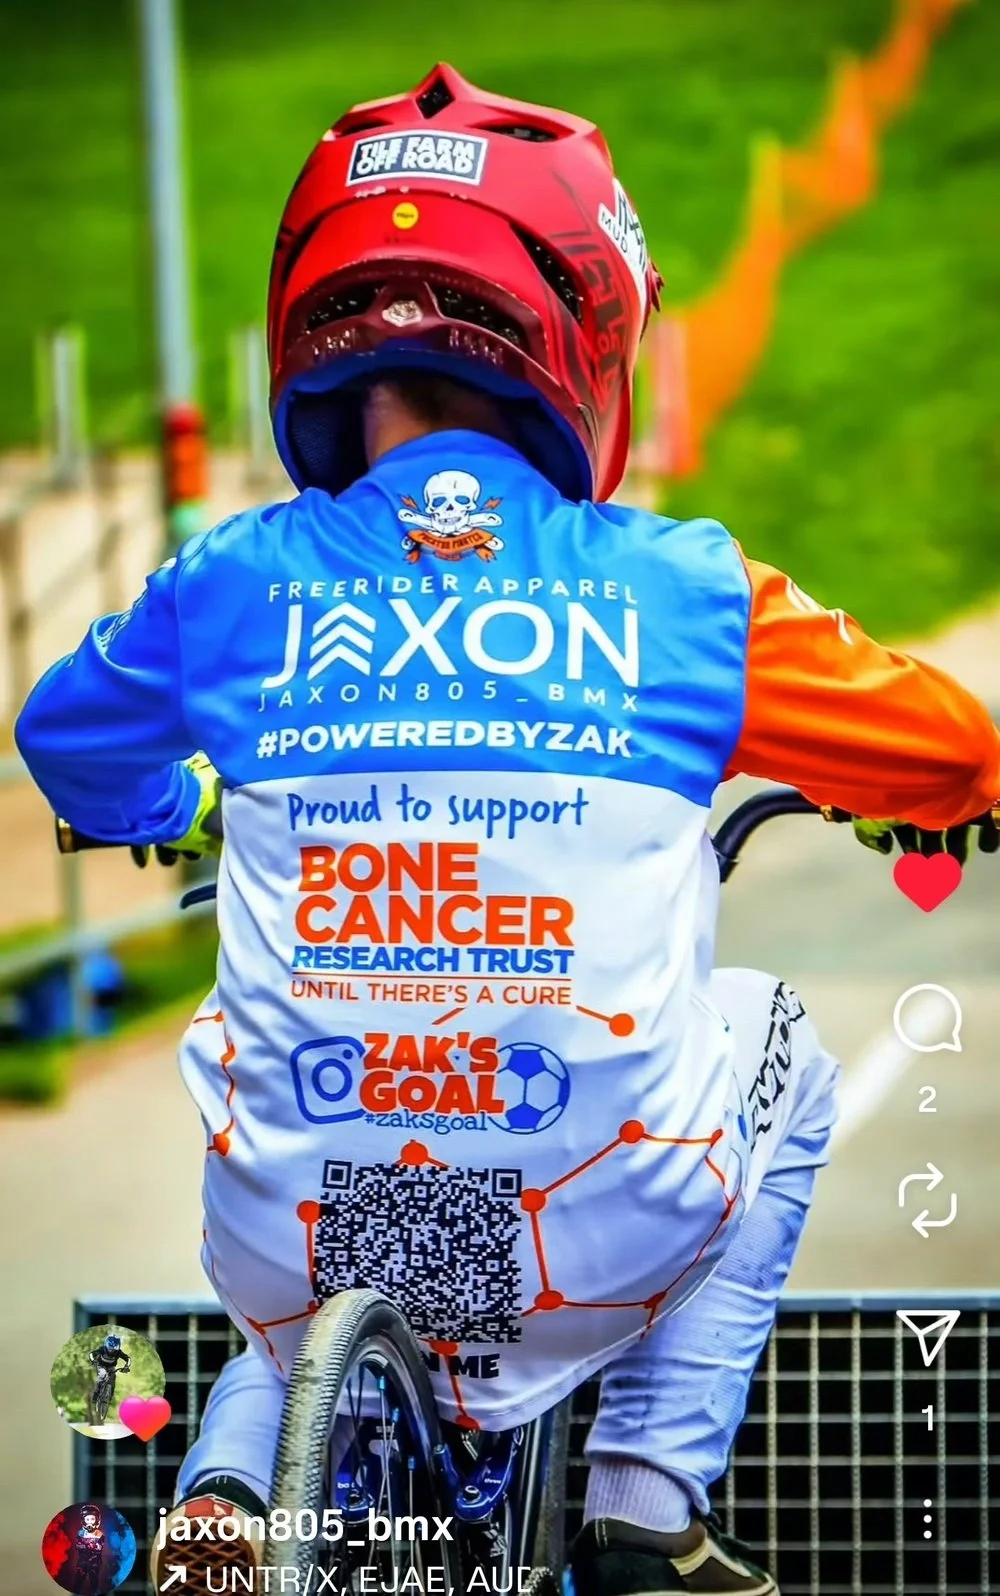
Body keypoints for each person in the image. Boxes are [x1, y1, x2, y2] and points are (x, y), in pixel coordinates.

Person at [16, 62, 1000, 1596]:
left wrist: (163, 803)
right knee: (781, 1046)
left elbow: (68, 741)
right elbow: (952, 743)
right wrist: (933, 800)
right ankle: (647, 1497)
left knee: (335, 1202)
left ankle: (223, 1487)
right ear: (586, 334)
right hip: (593, 1226)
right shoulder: (678, 588)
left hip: (301, 1223)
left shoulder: (236, 581)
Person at [87, 1332, 131, 1427]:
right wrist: (92, 1360)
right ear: (106, 1345)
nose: (111, 1351)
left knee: (113, 1378)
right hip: (101, 1366)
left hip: (111, 1368)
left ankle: (109, 1396)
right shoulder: (102, 1349)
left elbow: (128, 1358)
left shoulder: (118, 1352)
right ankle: (95, 1394)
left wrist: (127, 1366)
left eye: (113, 1349)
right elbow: (91, 1354)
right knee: (102, 1376)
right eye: (110, 1348)